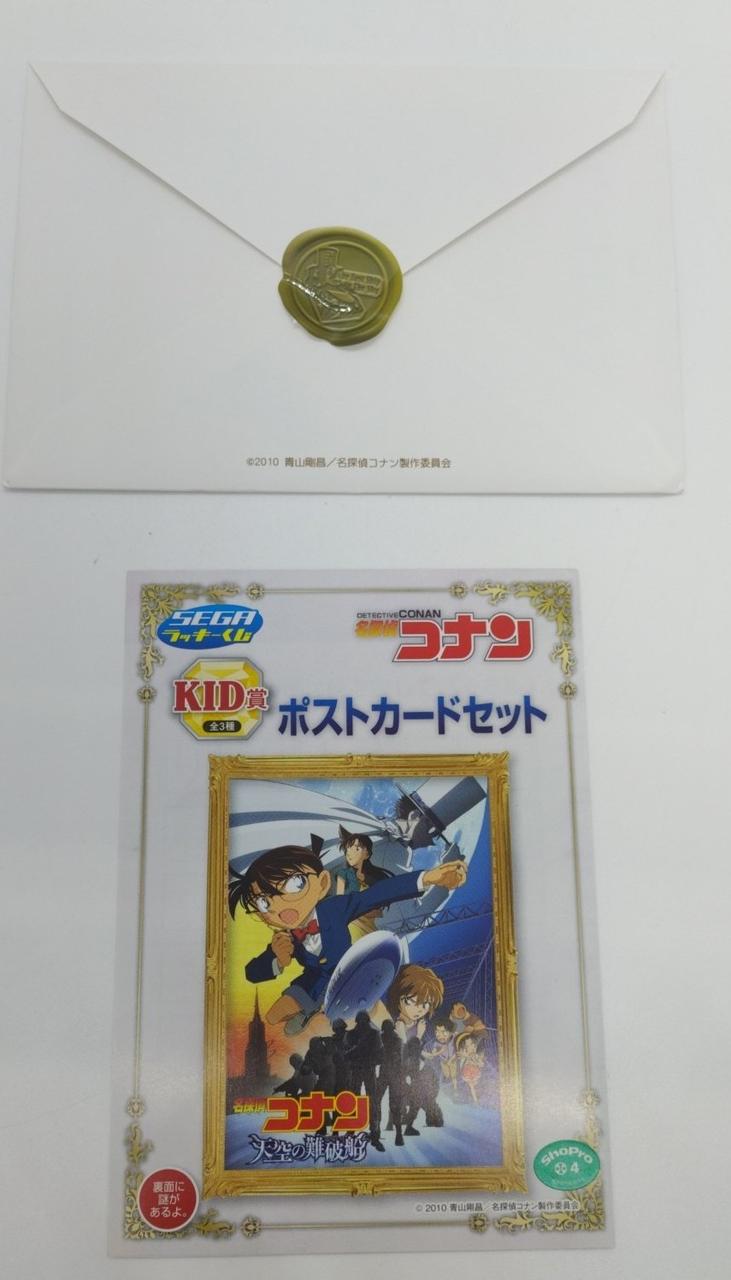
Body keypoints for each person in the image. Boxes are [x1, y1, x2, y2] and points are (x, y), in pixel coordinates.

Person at [229, 837, 466, 1034]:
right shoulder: (284, 937)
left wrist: (427, 878)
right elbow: (251, 973)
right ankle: (309, 1011)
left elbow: (376, 895)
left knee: (366, 1014)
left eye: (294, 885)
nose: (281, 906)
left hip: (349, 971)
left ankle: (340, 1020)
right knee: (273, 1017)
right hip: (312, 981)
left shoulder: (333, 909)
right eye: (264, 902)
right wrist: (277, 961)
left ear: (322, 883)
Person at [335, 826, 392, 942]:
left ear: (367, 854)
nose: (350, 853)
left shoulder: (373, 880)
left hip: (370, 932)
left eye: (356, 849)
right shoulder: (343, 875)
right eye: (348, 849)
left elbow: (378, 910)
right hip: (352, 930)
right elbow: (339, 905)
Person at [385, 964, 444, 1043]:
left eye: (425, 1005)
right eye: (412, 1001)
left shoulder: (421, 1028)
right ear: (398, 996)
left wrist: (418, 1035)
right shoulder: (386, 1019)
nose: (419, 1010)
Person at [423, 1017, 458, 1094]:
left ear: (451, 1032)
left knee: (454, 1076)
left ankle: (455, 1089)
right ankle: (447, 1087)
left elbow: (458, 1050)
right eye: (437, 1032)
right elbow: (433, 1053)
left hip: (453, 1060)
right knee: (447, 1075)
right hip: (443, 1062)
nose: (440, 1035)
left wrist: (451, 1060)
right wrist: (437, 1052)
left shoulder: (454, 1039)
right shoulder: (436, 1044)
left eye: (443, 1032)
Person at [456, 1029, 486, 1104]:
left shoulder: (475, 1055)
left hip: (475, 1071)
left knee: (475, 1084)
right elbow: (462, 1061)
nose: (472, 1047)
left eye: (473, 1044)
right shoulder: (464, 1056)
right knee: (471, 1085)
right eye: (468, 1046)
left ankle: (477, 1098)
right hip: (467, 1072)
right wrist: (466, 1056)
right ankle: (475, 1100)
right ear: (464, 1049)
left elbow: (481, 1064)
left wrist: (478, 1062)